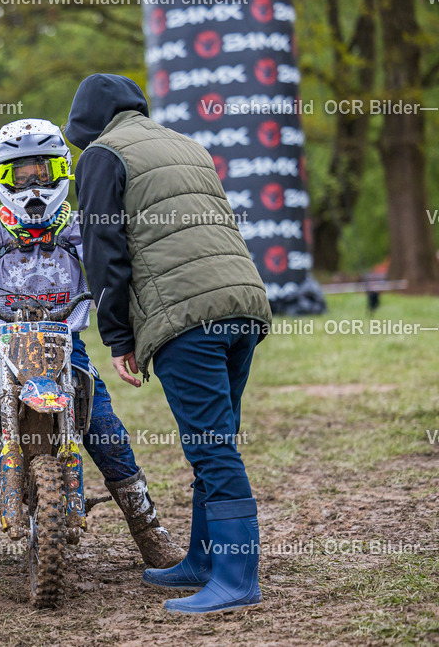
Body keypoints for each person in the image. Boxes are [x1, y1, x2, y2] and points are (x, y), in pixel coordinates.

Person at [0, 119, 184, 576]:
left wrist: (123, 295)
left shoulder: (81, 228)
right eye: (18, 175)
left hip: (69, 347)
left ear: (62, 171)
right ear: (0, 177)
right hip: (4, 349)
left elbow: (111, 266)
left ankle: (152, 536)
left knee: (107, 433)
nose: (32, 184)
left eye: (42, 173)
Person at [65, 73, 273, 614]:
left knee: (212, 446)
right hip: (242, 302)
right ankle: (204, 561)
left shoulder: (102, 156)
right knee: (217, 435)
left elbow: (103, 249)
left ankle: (236, 579)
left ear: (85, 124)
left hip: (186, 315)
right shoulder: (188, 145)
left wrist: (116, 335)